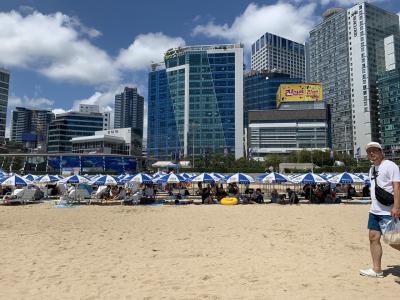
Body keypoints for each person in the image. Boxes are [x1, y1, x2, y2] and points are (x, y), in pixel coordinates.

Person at [360, 142, 400, 278]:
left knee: (394, 242)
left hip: (388, 211)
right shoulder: (372, 169)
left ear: (381, 151)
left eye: (374, 150)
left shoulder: (390, 166)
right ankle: (377, 270)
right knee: (373, 237)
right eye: (369, 151)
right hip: (375, 211)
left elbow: (397, 187)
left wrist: (396, 206)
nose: (371, 153)